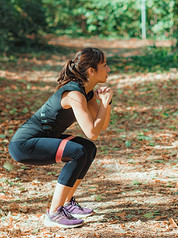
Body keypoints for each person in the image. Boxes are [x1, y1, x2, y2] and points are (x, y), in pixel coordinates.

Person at [9, 47, 113, 228]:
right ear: (91, 70)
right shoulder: (74, 94)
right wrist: (103, 105)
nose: (108, 69)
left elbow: (101, 126)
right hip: (23, 144)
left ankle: (67, 203)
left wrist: (106, 103)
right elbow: (92, 132)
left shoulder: (86, 92)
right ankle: (54, 212)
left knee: (88, 148)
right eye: (104, 65)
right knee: (78, 152)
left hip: (43, 138)